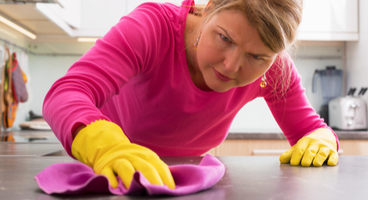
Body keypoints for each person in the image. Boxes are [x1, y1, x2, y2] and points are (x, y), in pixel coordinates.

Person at [43, 0, 339, 191]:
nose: (231, 66)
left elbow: (312, 131)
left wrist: (322, 139)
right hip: (109, 176)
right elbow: (67, 93)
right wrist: (106, 147)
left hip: (185, 186)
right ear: (208, 8)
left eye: (257, 57)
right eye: (224, 38)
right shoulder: (152, 28)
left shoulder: (274, 69)